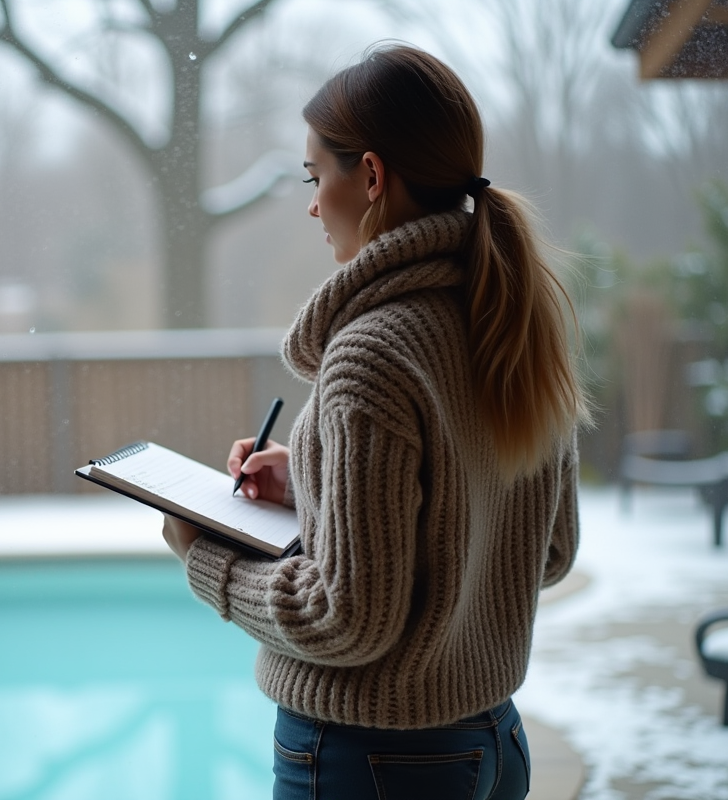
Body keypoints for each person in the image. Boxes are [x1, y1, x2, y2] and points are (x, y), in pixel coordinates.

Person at [163, 43, 584, 800]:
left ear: (372, 175)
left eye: (315, 177)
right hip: (494, 744)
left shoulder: (372, 357)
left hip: (374, 761)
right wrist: (317, 482)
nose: (314, 204)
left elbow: (344, 619)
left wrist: (206, 560)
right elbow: (545, 548)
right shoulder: (509, 321)